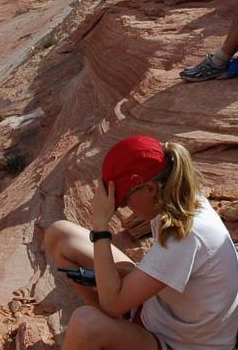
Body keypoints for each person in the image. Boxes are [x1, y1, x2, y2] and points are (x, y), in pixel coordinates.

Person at [44, 135, 238, 350]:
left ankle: (103, 333)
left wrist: (100, 226)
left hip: (180, 343)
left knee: (85, 323)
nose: (125, 207)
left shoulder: (186, 236)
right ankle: (112, 331)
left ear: (150, 188)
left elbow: (112, 306)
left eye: (125, 199)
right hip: (157, 313)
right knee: (60, 235)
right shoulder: (178, 200)